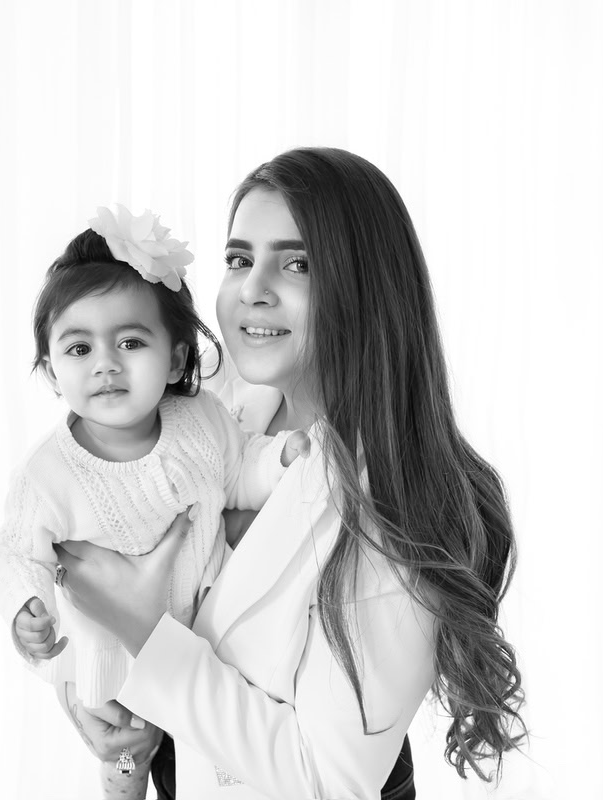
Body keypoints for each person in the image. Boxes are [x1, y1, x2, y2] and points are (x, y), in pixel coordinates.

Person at [52, 148, 526, 799]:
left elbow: (328, 781)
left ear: (366, 289)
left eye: (296, 263)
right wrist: (92, 695)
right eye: (240, 259)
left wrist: (145, 634)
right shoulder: (211, 408)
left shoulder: (398, 506)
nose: (252, 288)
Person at [0, 205, 309, 800]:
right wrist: (26, 606)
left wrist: (282, 460)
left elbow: (241, 470)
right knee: (126, 750)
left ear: (178, 360)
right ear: (53, 372)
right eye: (78, 349)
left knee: (187, 762)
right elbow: (13, 548)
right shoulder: (49, 474)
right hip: (114, 664)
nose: (106, 364)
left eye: (131, 342)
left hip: (208, 656)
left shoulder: (204, 422)